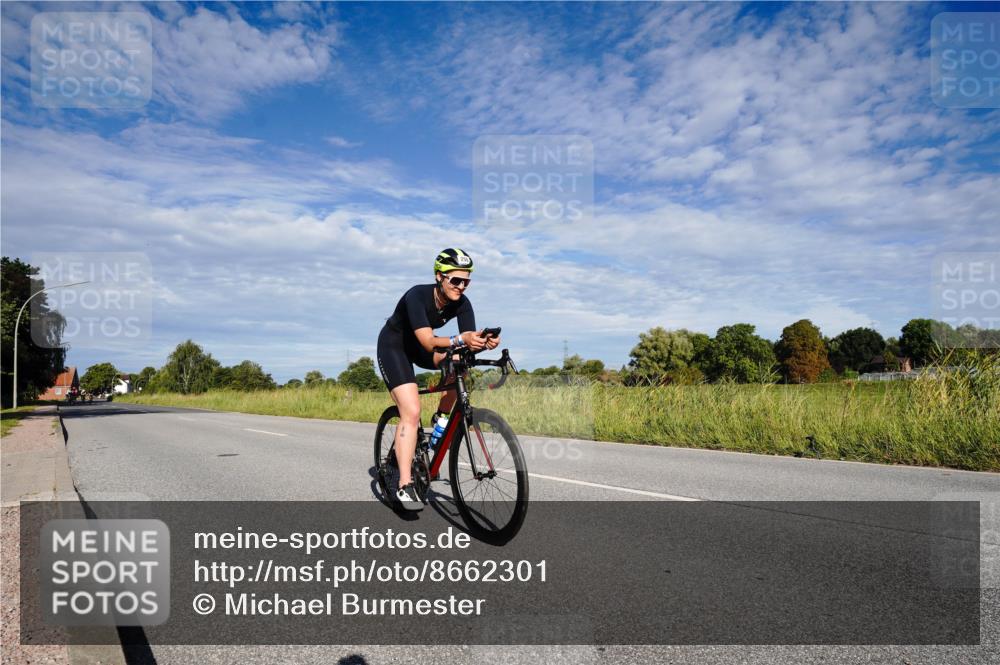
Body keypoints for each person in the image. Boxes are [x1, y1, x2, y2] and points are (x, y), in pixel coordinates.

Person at [376, 248, 500, 510]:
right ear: (439, 277)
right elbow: (428, 340)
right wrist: (461, 340)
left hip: (423, 350)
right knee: (411, 410)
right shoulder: (417, 296)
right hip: (394, 346)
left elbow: (465, 344)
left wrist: (482, 343)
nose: (461, 286)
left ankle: (441, 419)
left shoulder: (462, 303)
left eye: (466, 280)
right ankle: (405, 485)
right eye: (455, 280)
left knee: (460, 366)